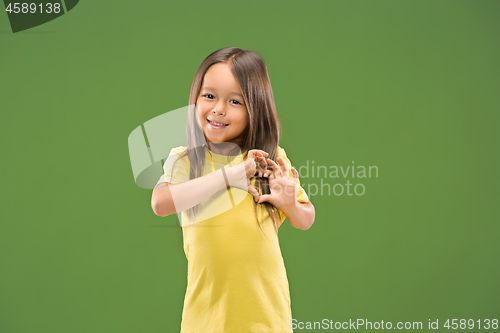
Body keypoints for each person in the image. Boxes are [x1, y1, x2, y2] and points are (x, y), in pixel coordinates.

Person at [151, 47, 315, 333]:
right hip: (205, 320)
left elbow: (305, 219)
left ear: (256, 108)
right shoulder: (186, 159)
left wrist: (290, 204)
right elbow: (161, 203)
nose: (219, 109)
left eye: (235, 101)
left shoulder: (268, 159)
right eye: (210, 96)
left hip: (266, 318)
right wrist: (231, 175)